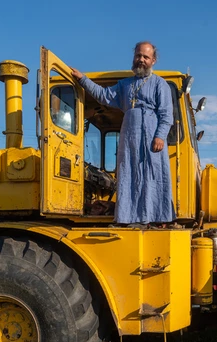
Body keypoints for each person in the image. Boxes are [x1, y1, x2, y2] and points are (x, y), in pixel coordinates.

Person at [71, 41, 175, 225]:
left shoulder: (160, 84)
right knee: (128, 173)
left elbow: (166, 114)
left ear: (153, 60)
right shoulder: (124, 85)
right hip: (130, 135)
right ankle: (128, 218)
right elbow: (104, 96)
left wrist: (160, 135)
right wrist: (82, 79)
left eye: (145, 57)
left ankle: (156, 217)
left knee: (153, 174)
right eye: (138, 55)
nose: (141, 60)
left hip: (152, 137)